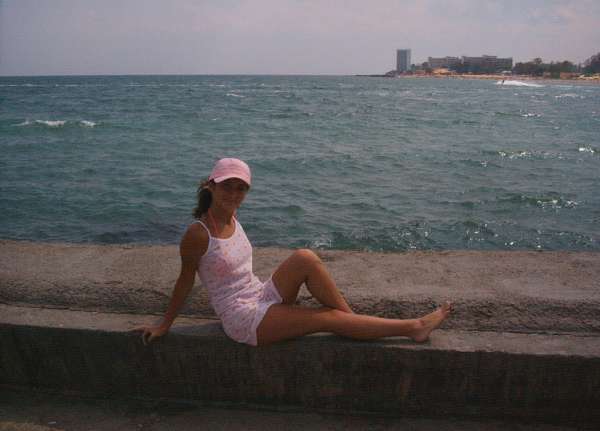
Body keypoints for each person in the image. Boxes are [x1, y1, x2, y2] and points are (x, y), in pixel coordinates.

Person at [134, 158, 452, 347]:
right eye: (227, 186)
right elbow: (185, 281)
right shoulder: (198, 233)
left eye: (241, 188)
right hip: (242, 318)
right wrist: (164, 324)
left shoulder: (231, 216)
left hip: (259, 294)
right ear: (211, 186)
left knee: (305, 257)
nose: (234, 193)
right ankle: (413, 328)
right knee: (327, 318)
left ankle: (355, 325)